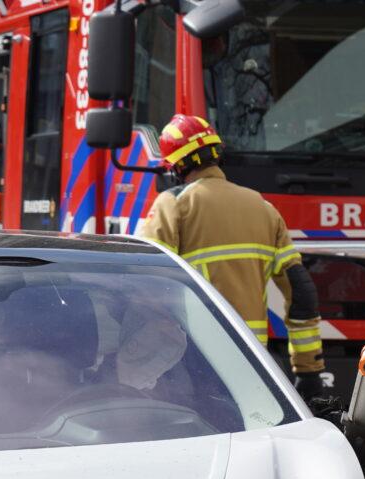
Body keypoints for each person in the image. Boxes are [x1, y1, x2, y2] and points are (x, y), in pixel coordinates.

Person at [138, 114, 327, 401]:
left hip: (192, 359)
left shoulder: (173, 204)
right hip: (252, 359)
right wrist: (308, 370)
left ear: (176, 166)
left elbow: (145, 283)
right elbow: (301, 294)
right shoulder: (263, 207)